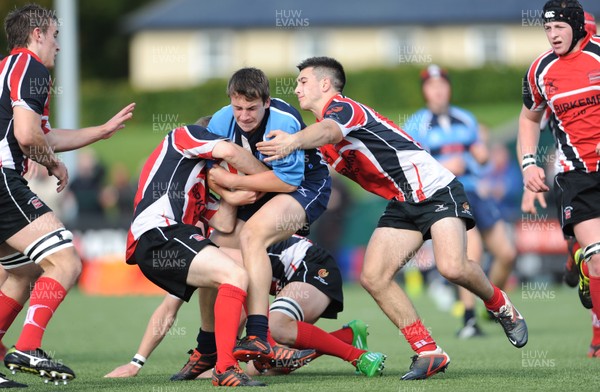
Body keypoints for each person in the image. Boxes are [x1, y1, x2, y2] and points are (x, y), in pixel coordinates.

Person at [257, 56, 528, 380]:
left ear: (325, 84)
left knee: (452, 266)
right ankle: (428, 351)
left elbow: (329, 131)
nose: (297, 88)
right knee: (373, 276)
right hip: (403, 202)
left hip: (435, 190)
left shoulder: (343, 110)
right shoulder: (319, 139)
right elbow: (301, 172)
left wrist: (292, 141)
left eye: (303, 81)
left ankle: (499, 304)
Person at [0, 4, 135, 387]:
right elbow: (28, 137)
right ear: (38, 34)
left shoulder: (8, 69)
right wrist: (55, 165)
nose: (59, 45)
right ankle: (28, 346)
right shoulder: (31, 67)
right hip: (2, 179)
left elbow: (44, 134)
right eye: (55, 36)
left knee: (22, 273)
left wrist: (101, 131)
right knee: (67, 261)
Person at [106, 235, 384, 380]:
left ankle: (359, 356)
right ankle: (347, 336)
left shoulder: (207, 255)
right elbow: (167, 310)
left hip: (312, 267)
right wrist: (136, 363)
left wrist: (223, 358)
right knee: (258, 368)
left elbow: (246, 299)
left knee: (274, 329)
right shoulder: (194, 262)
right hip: (283, 280)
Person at [205, 68, 332, 365]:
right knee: (211, 251)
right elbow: (208, 170)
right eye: (238, 108)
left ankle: (259, 334)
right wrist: (231, 195)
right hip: (263, 187)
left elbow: (286, 182)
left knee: (253, 236)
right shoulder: (221, 119)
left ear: (267, 102)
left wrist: (235, 184)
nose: (244, 116)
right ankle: (210, 347)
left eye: (252, 108)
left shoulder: (283, 121)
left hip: (304, 185)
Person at [404, 65, 518, 338]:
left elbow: (481, 159)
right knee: (471, 253)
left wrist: (482, 157)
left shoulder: (465, 119)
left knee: (507, 254)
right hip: (447, 195)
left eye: (442, 85)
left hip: (475, 191)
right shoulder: (416, 124)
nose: (438, 91)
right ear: (425, 92)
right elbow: (410, 165)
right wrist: (444, 165)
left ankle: (490, 307)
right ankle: (469, 320)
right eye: (432, 86)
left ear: (449, 89)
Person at [519, 0, 600, 358]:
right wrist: (527, 164)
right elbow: (528, 120)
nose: (552, 35)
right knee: (599, 256)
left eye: (559, 28)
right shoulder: (539, 70)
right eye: (547, 29)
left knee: (593, 256)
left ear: (578, 26)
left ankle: (577, 261)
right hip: (575, 174)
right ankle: (598, 333)